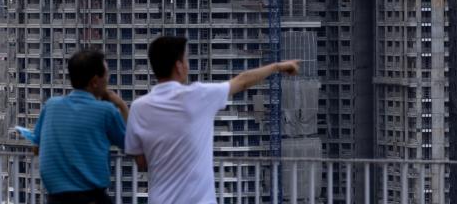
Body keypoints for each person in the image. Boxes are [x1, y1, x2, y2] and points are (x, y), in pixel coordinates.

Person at [124, 35, 299, 204]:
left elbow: (141, 162)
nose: (187, 66)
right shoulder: (198, 96)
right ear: (178, 66)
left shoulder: (139, 107)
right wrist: (278, 66)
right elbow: (242, 81)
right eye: (186, 60)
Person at [32, 49, 129, 204]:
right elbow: (129, 144)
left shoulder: (51, 106)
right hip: (92, 197)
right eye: (106, 75)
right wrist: (122, 106)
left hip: (55, 198)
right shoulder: (105, 111)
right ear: (95, 81)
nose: (108, 80)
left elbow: (36, 148)